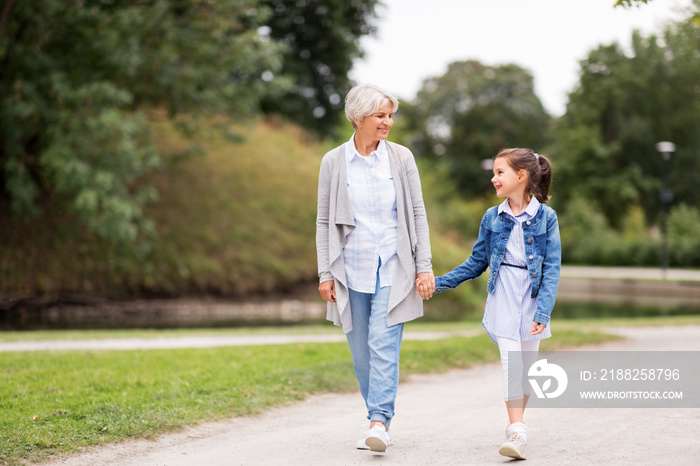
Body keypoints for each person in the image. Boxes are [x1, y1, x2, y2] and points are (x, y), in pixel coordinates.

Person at [417, 148, 561, 460]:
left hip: (532, 298)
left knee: (526, 370)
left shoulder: (546, 217)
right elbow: (476, 263)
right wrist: (438, 282)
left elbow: (552, 270)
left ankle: (516, 426)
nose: (493, 177)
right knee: (512, 362)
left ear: (520, 176)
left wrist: (543, 311)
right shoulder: (491, 217)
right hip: (503, 295)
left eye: (500, 172)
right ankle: (518, 430)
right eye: (494, 172)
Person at [316, 83, 435, 452]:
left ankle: (379, 422)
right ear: (358, 117)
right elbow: (323, 220)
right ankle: (376, 415)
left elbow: (417, 212)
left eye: (390, 115)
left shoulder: (401, 158)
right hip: (350, 269)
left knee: (384, 345)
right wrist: (324, 272)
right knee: (361, 352)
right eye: (381, 115)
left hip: (394, 267)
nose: (388, 122)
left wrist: (424, 266)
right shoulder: (334, 161)